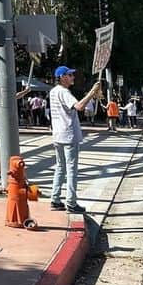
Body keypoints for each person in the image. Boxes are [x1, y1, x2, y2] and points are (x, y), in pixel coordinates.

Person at [49, 68, 100, 214]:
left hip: (58, 134)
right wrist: (91, 92)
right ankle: (71, 202)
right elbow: (79, 106)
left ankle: (55, 199)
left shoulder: (53, 91)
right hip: (69, 135)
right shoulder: (64, 92)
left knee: (60, 167)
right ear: (62, 77)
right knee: (71, 170)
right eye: (70, 75)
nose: (73, 77)